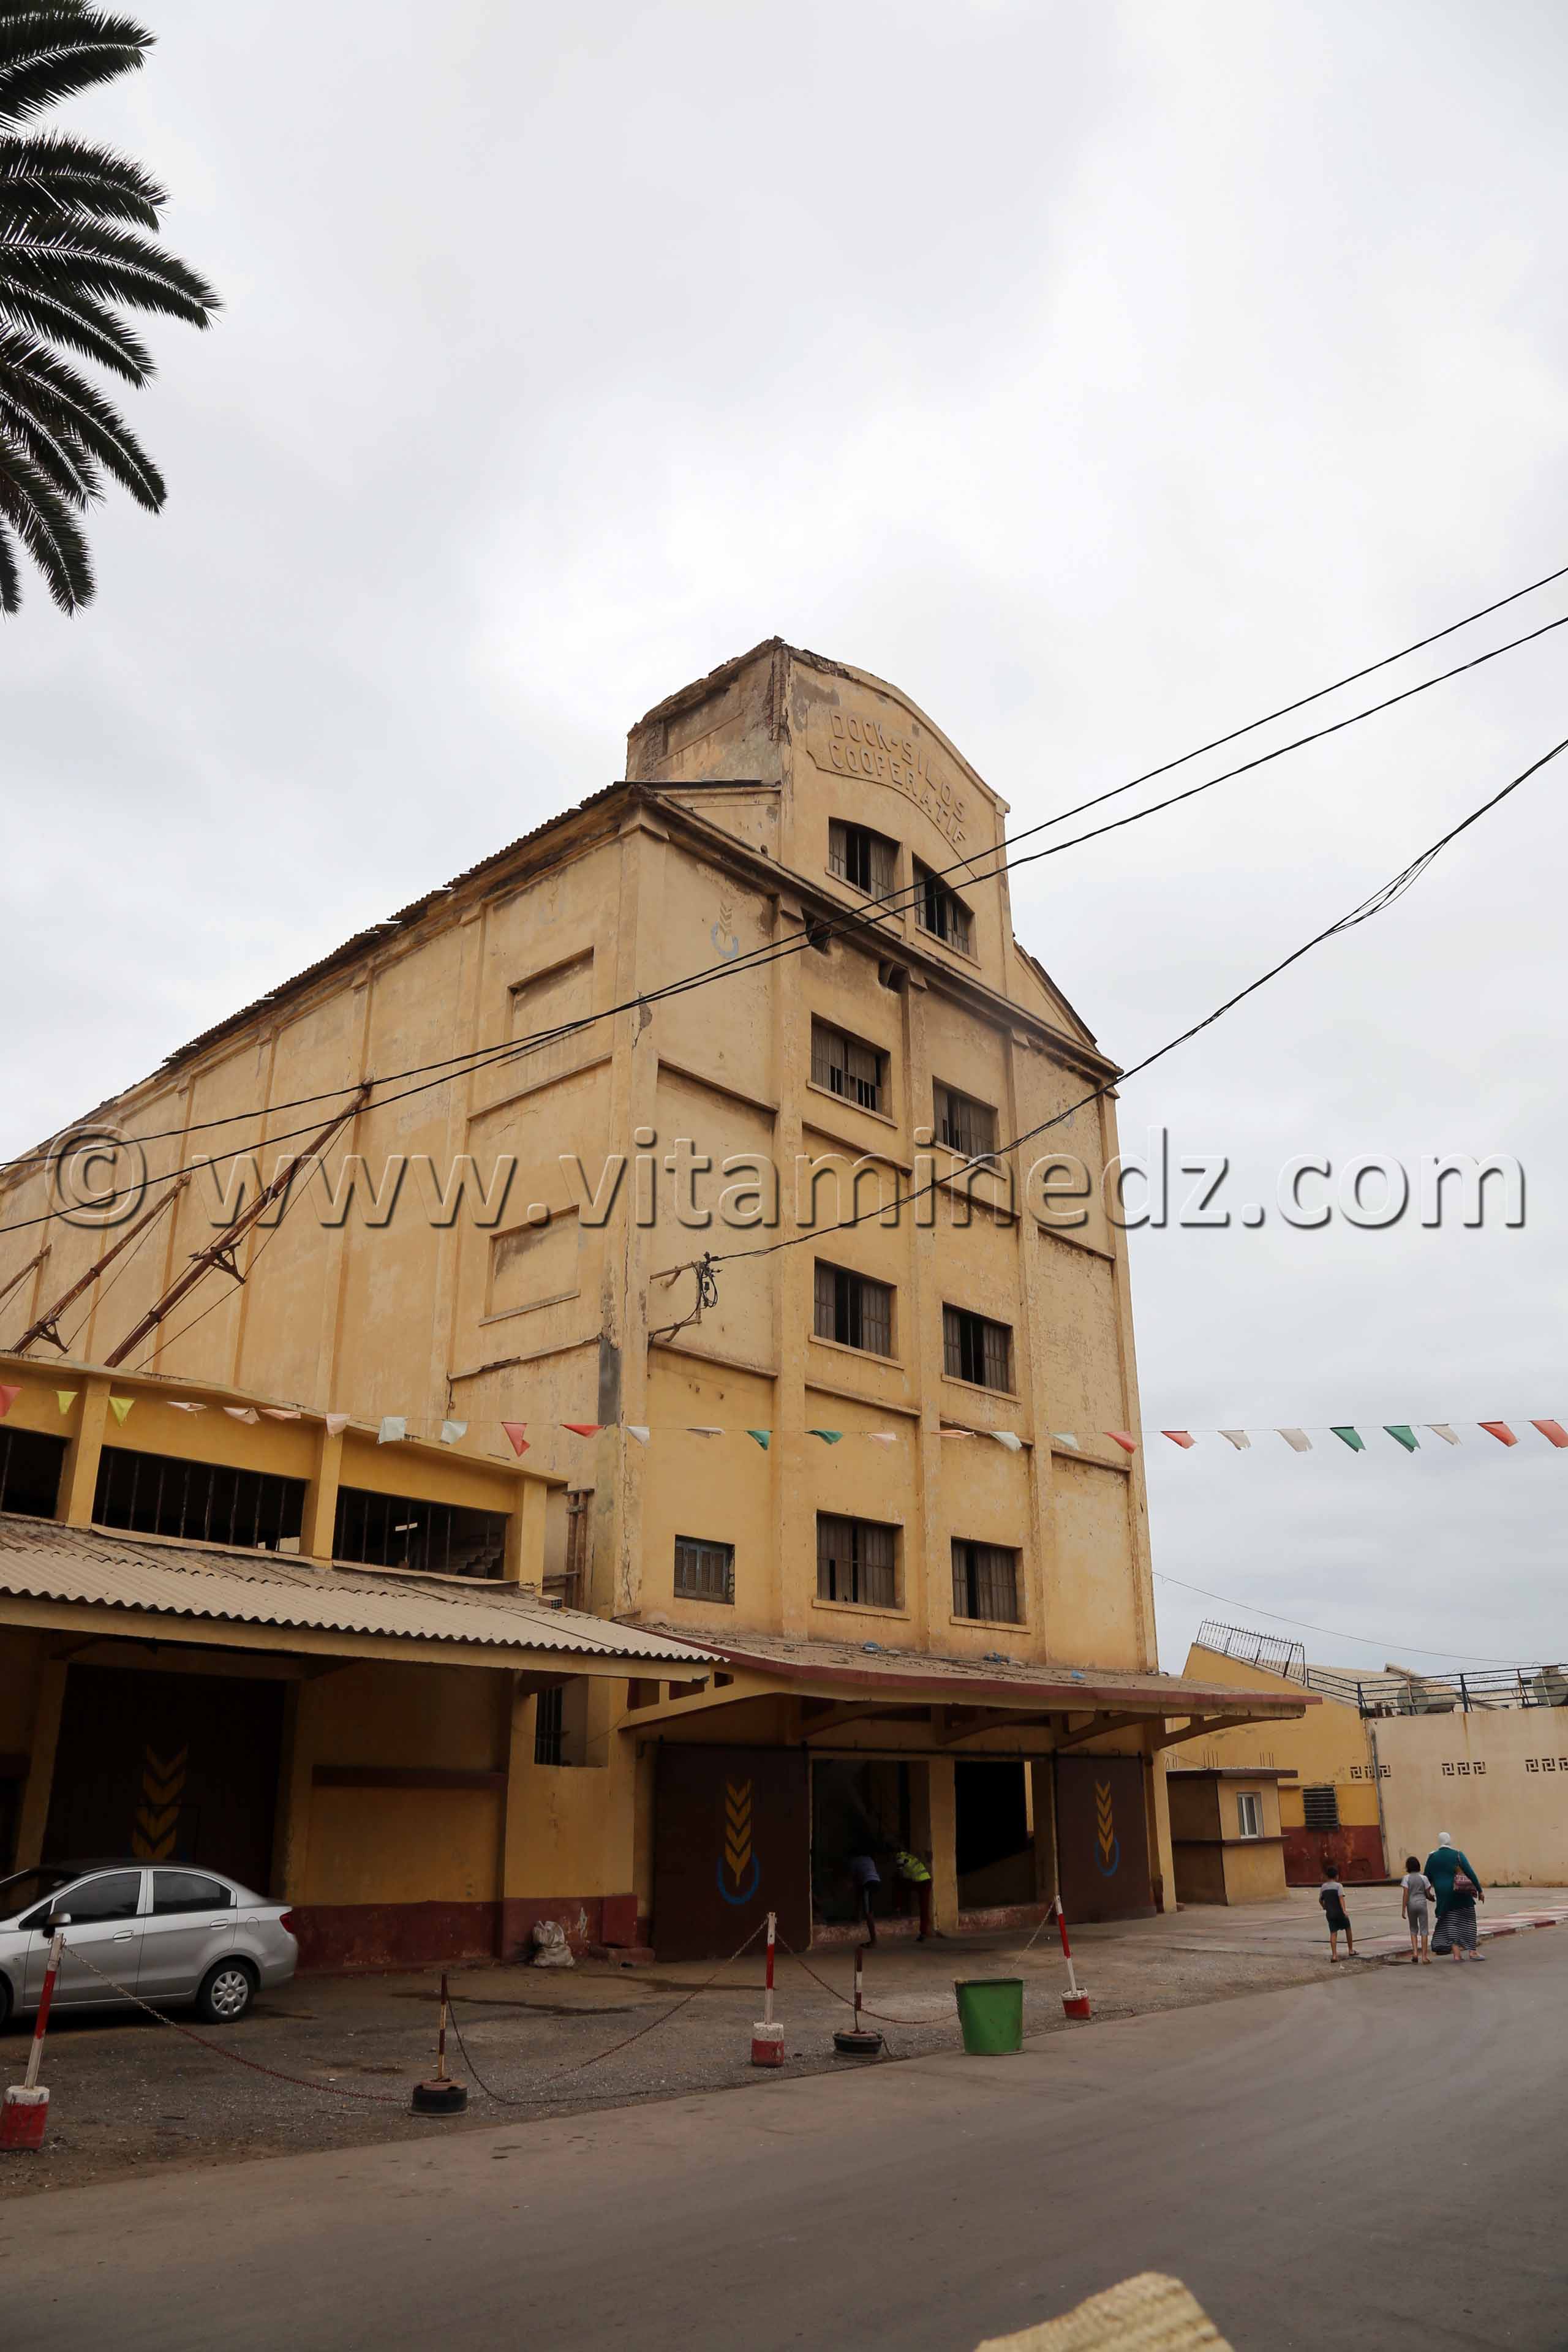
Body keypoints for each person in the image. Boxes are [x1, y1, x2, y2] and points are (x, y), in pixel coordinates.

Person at [1425, 1830, 1485, 1961]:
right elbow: (1470, 1873)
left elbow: (1426, 1878)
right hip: (1461, 1893)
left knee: (1450, 1923)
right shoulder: (1458, 1855)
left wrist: (1427, 1893)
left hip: (1443, 1896)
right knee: (1468, 1921)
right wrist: (1480, 1890)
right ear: (1449, 1841)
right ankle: (1472, 1952)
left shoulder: (1432, 1858)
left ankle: (1457, 1955)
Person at [892, 1845, 935, 1940]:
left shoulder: (900, 1857)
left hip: (921, 1883)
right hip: (925, 1881)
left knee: (897, 1883)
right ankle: (923, 1933)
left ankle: (898, 1908)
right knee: (924, 1908)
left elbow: (899, 1873)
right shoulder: (909, 1856)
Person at [1400, 1855, 1434, 1964]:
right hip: (1422, 1904)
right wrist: (1432, 1898)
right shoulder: (1424, 1878)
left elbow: (1405, 1894)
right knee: (1424, 1930)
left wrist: (1404, 1909)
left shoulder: (1406, 1878)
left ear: (1408, 1867)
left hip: (1411, 1905)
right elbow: (1428, 1894)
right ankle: (1424, 1957)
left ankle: (1415, 1953)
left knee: (1413, 1929)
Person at [1319, 1859, 1354, 1959]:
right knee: (1348, 1928)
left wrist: (1324, 1907)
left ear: (1327, 1876)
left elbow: (1320, 1900)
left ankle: (1334, 1955)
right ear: (1337, 1876)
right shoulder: (1339, 1886)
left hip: (1330, 1914)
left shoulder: (1323, 1887)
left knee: (1333, 1933)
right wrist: (1344, 1911)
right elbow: (1341, 1899)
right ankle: (1351, 1950)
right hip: (1339, 1913)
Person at [848, 1851, 880, 1945]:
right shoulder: (869, 1859)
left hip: (869, 1883)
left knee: (869, 1913)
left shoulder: (854, 1861)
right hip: (876, 1882)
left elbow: (854, 1878)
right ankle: (858, 1917)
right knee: (866, 1901)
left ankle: (874, 1941)